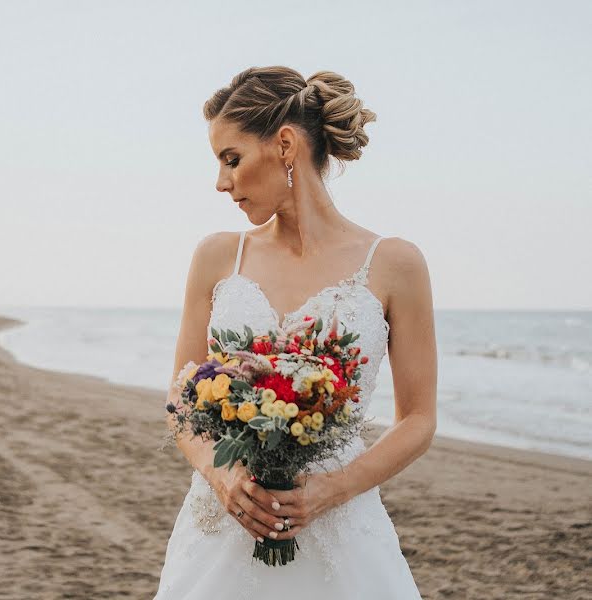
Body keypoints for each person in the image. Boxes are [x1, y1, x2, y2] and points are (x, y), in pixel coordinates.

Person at [154, 66, 437, 599]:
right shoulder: (218, 256)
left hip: (337, 526)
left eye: (230, 159)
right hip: (225, 523)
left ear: (284, 144)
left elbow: (418, 419)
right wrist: (224, 479)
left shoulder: (395, 264)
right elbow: (181, 397)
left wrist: (330, 490)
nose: (221, 182)